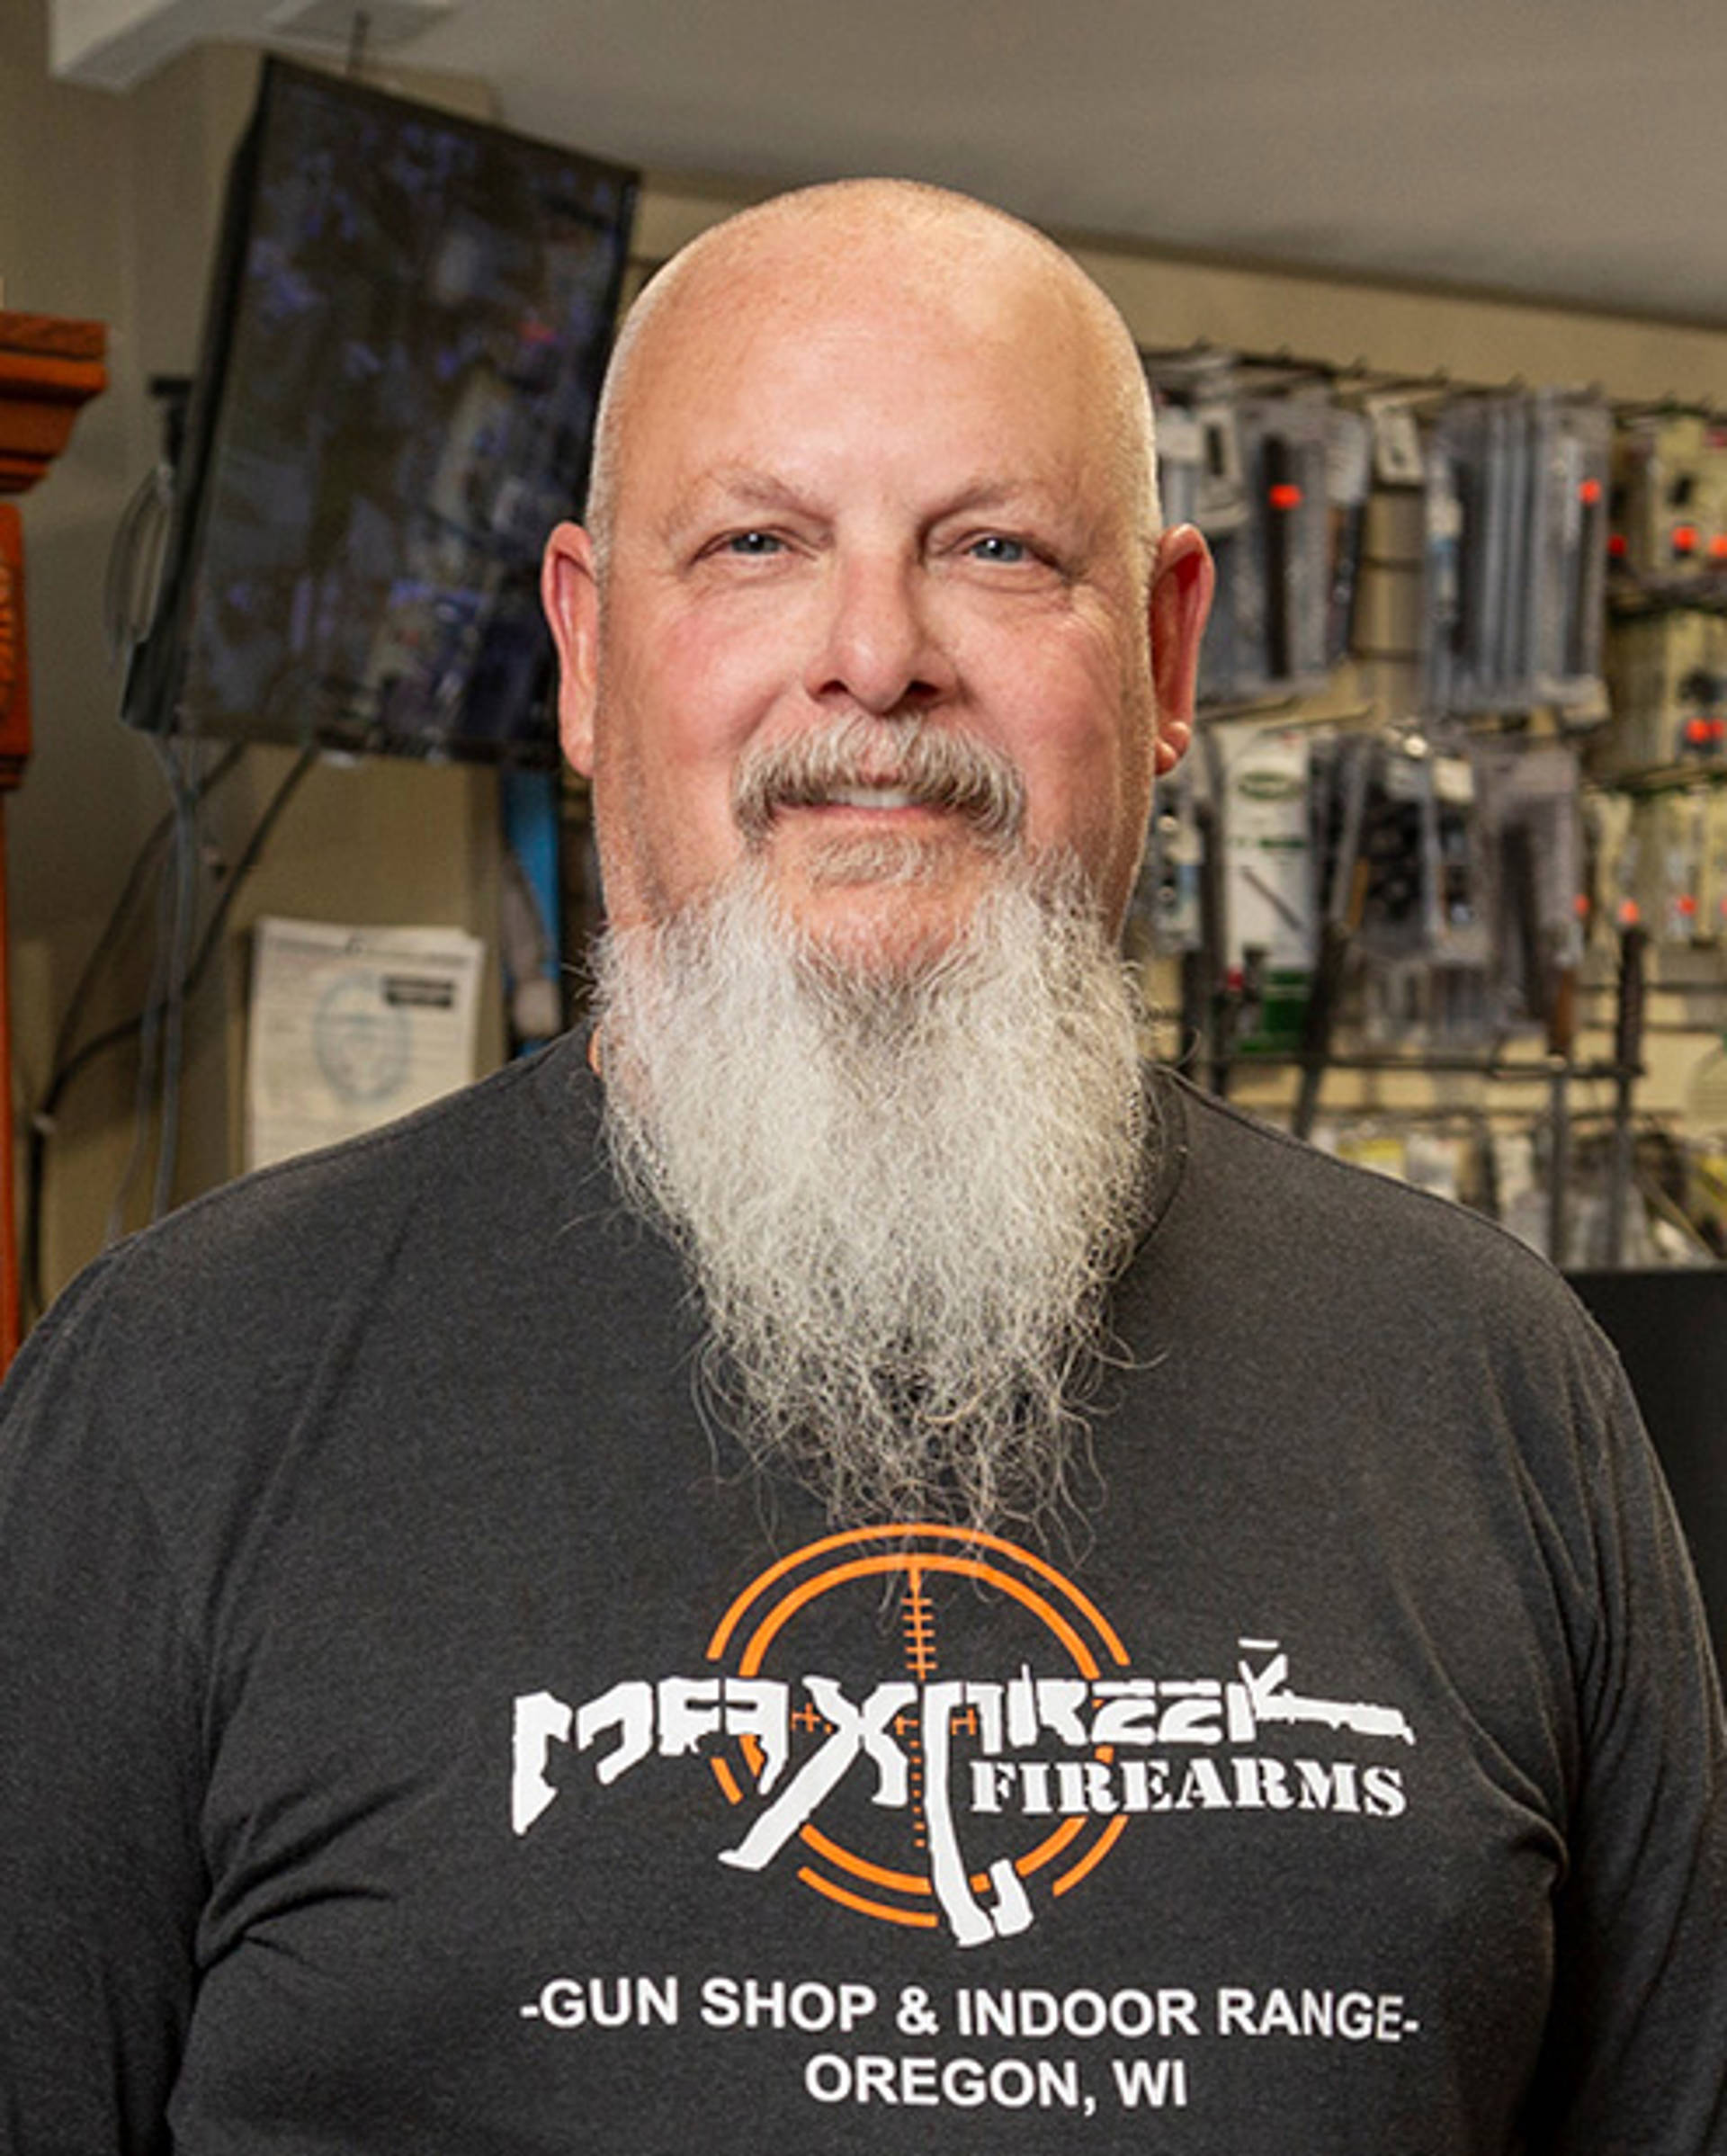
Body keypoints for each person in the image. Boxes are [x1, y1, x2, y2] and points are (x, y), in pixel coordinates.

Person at [0, 179, 1722, 2156]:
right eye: (757, 542)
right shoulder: (183, 1386)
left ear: (1167, 657)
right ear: (581, 650)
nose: (875, 657)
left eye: (994, 548)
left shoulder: (1492, 1385)